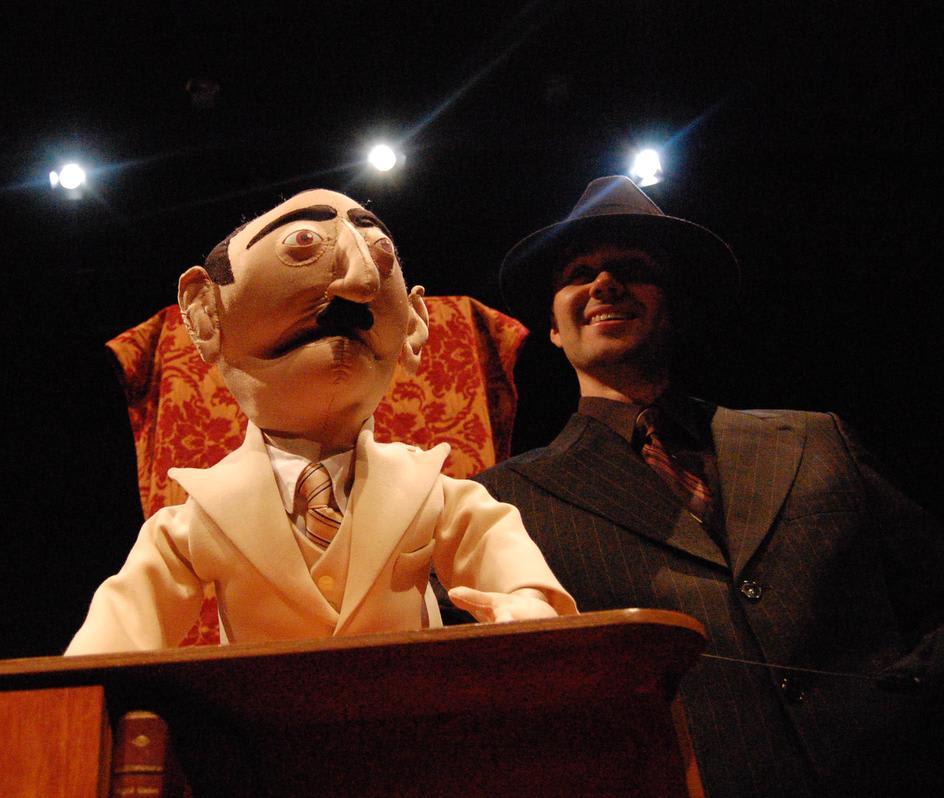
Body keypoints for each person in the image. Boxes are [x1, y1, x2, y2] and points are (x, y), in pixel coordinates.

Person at [470, 175, 944, 797]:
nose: (603, 283)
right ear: (554, 328)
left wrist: (908, 709)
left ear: (676, 304)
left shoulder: (816, 440)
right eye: (578, 273)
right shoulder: (505, 501)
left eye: (631, 269)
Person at [65, 188, 575, 654]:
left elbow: (492, 542)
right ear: (205, 315)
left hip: (412, 714)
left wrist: (527, 600)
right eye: (302, 243)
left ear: (414, 325)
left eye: (379, 255)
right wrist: (80, 691)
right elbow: (115, 636)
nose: (359, 282)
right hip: (263, 722)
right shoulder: (202, 516)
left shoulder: (426, 489)